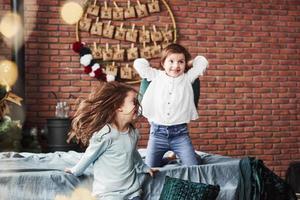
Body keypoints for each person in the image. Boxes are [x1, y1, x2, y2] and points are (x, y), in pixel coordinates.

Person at [65, 81, 156, 200]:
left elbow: (132, 152)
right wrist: (75, 170)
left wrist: (143, 167)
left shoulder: (133, 132)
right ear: (118, 107)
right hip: (109, 194)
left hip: (132, 192)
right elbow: (89, 155)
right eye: (133, 102)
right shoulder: (105, 134)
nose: (137, 105)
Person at [133, 43, 208, 167]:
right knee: (150, 167)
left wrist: (189, 63)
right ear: (163, 63)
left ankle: (193, 156)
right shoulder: (156, 75)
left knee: (193, 166)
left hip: (180, 135)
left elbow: (202, 62)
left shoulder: (188, 78)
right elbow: (139, 63)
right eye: (171, 61)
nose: (176, 66)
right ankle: (169, 159)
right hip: (157, 134)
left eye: (181, 62)